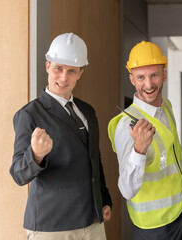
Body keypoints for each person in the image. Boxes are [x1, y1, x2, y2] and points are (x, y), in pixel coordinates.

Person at [10, 32, 112, 240]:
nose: (64, 77)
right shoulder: (29, 114)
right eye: (58, 68)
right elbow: (18, 174)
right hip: (52, 226)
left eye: (72, 71)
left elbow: (94, 159)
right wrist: (36, 155)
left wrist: (104, 199)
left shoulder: (88, 112)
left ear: (80, 73)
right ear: (48, 66)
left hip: (91, 222)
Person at [108, 41, 182, 240]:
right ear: (132, 80)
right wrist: (139, 150)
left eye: (154, 75)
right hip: (154, 228)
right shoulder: (126, 125)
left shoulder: (166, 107)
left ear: (165, 75)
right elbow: (126, 189)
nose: (149, 84)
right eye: (141, 77)